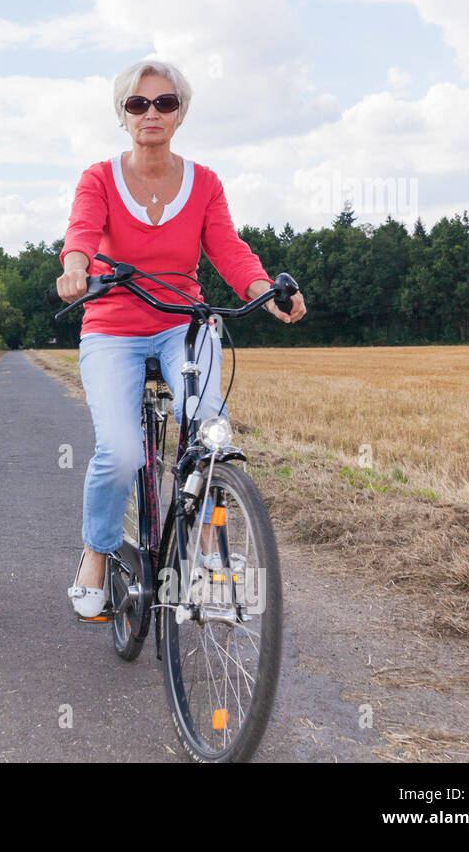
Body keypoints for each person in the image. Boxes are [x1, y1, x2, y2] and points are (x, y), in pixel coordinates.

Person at [56, 60, 307, 618]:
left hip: (183, 323)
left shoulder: (205, 182)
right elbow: (81, 231)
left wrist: (267, 291)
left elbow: (229, 249)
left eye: (165, 103)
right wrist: (75, 268)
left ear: (181, 114)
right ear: (122, 115)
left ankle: (209, 566)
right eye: (138, 104)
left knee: (211, 442)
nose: (151, 113)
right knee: (120, 453)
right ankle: (95, 553)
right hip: (113, 326)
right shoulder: (99, 177)